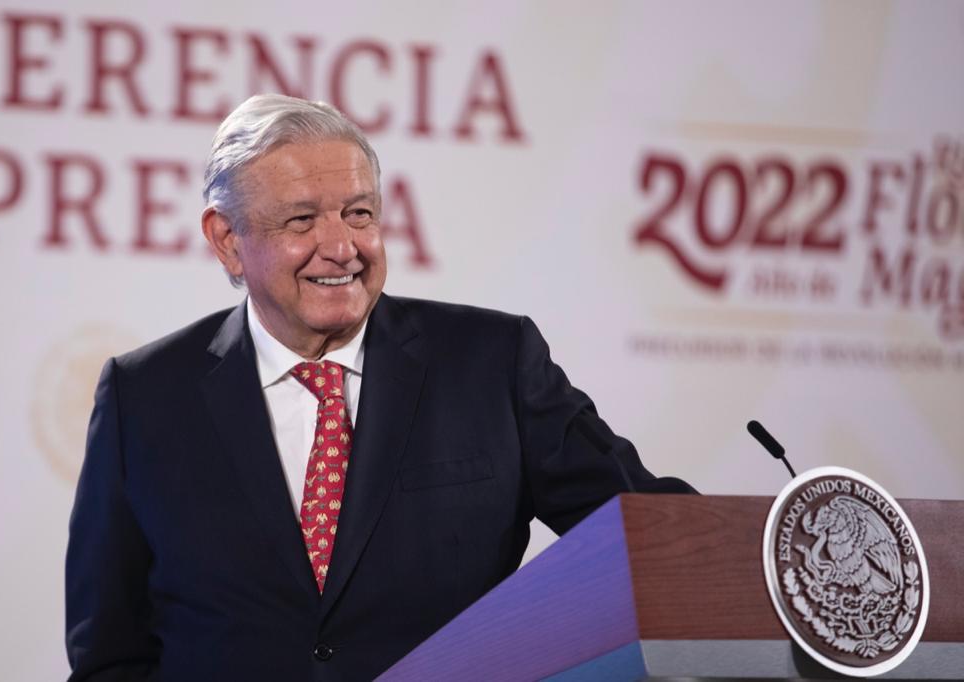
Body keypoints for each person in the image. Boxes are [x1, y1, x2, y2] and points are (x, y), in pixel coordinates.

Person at [65, 94, 695, 682]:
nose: (341, 247)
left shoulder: (493, 362)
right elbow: (111, 655)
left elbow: (651, 532)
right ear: (228, 240)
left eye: (359, 214)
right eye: (302, 220)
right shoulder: (143, 397)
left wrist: (756, 544)